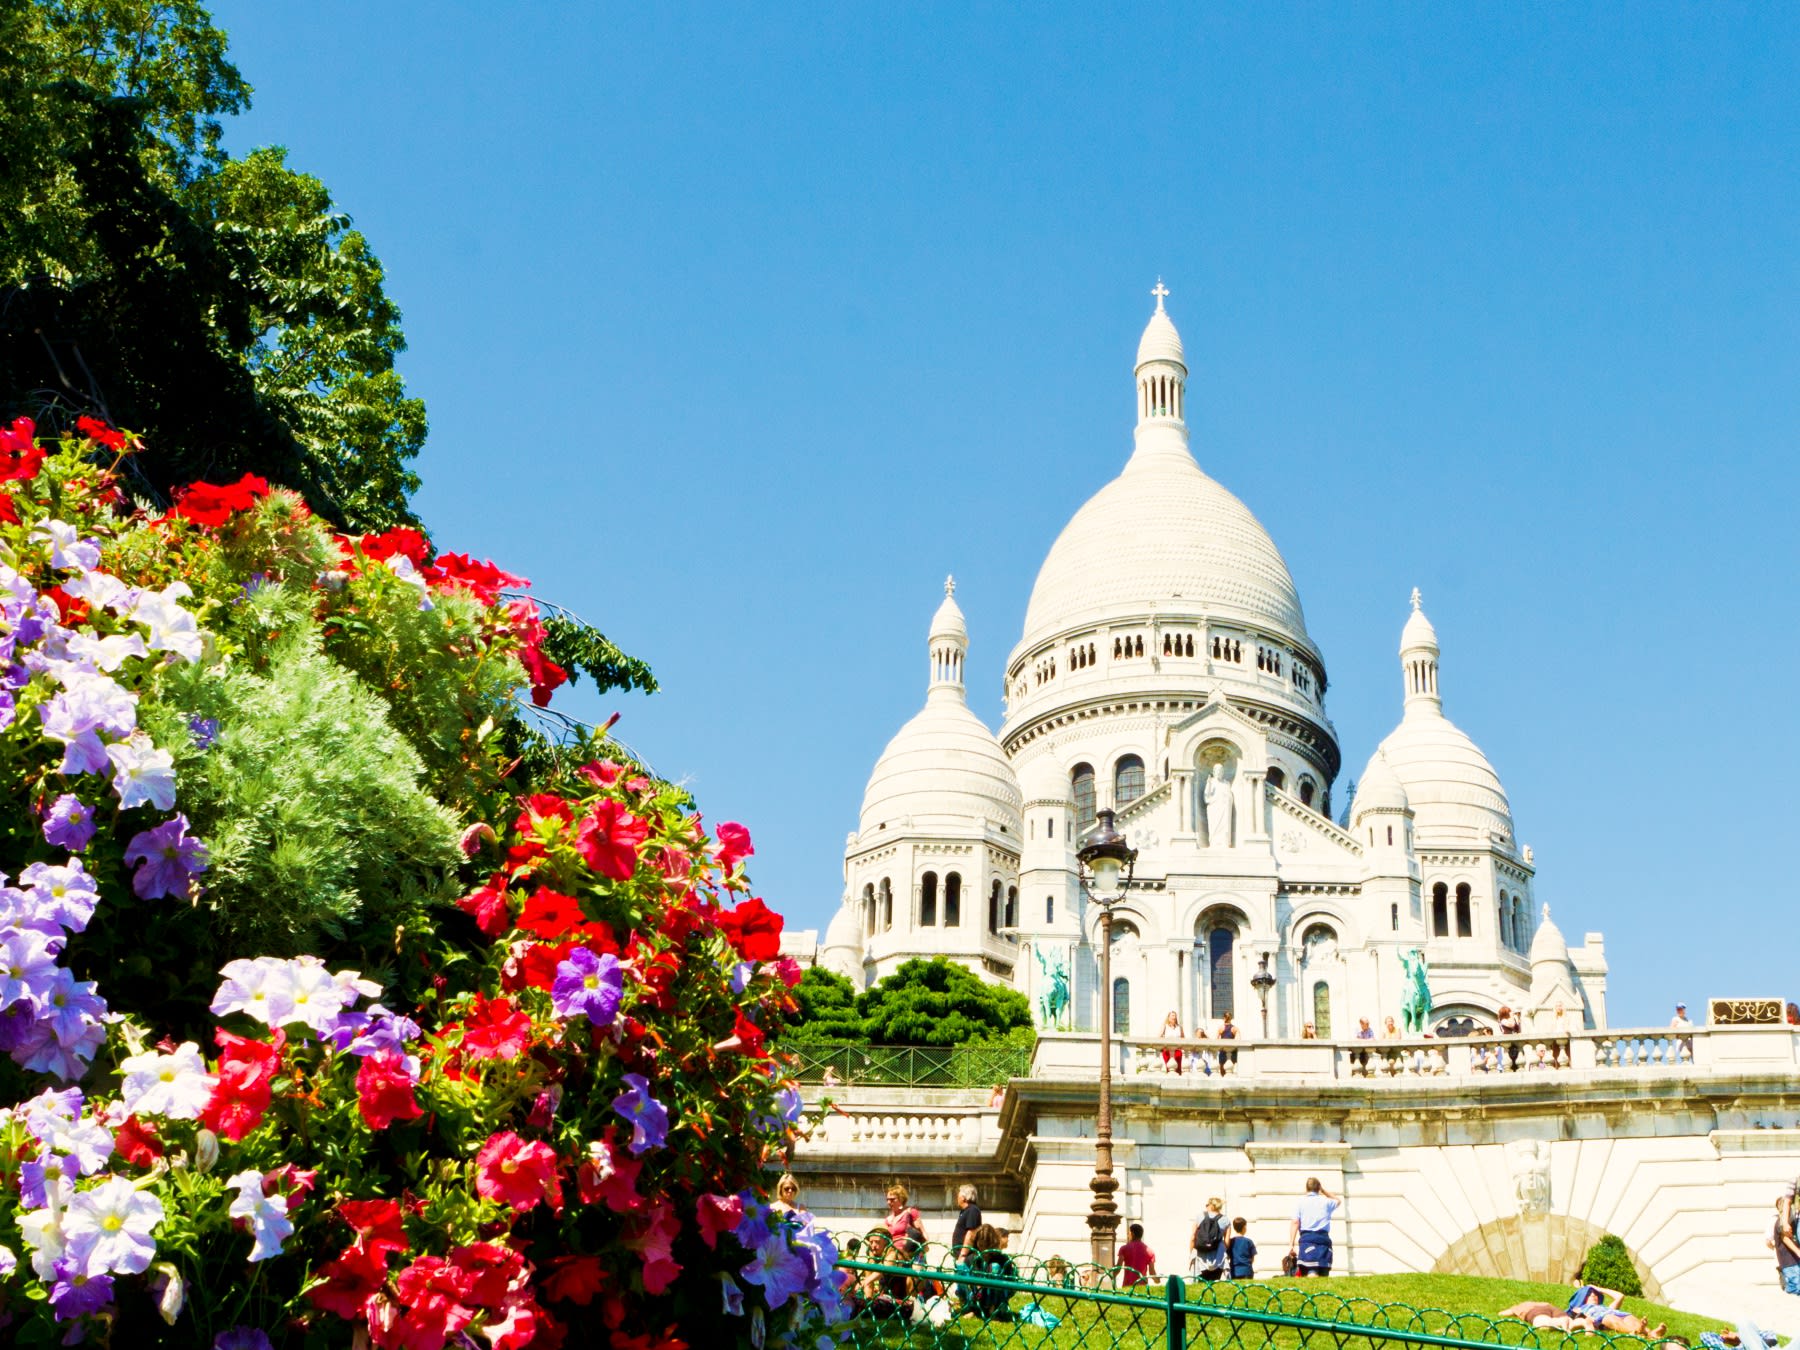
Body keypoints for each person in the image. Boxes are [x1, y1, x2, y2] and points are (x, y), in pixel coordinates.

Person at [1288, 1177, 1341, 1277]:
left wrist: (1291, 1244)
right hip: (1324, 1240)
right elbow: (1338, 1201)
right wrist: (1324, 1191)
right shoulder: (1327, 1202)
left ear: (1306, 1188)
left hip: (1307, 1240)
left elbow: (1295, 1222)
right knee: (1324, 1271)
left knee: (1310, 1270)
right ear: (1319, 1188)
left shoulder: (1300, 1203)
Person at [964, 1223, 1016, 1320]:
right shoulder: (971, 1259)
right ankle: (972, 1309)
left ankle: (994, 1310)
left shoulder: (1002, 1259)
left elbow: (1012, 1283)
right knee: (962, 1270)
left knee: (995, 1268)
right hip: (976, 1297)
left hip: (996, 1298)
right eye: (982, 1241)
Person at [883, 1183, 926, 1262]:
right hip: (890, 1252)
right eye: (887, 1200)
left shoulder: (910, 1213)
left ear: (901, 1199)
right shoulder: (888, 1219)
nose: (889, 1202)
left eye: (892, 1199)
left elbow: (922, 1234)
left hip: (908, 1253)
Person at [1191, 1196, 1227, 1281]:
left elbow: (1193, 1237)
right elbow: (1227, 1242)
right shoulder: (1225, 1219)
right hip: (1218, 1257)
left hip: (1201, 1256)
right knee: (1215, 1284)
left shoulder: (1199, 1216)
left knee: (1201, 1284)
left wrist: (1191, 1252)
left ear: (1211, 1205)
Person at [1774, 1194, 1800, 1295]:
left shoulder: (1788, 1221)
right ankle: (1786, 1287)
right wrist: (1798, 1251)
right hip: (1789, 1261)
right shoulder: (1781, 1222)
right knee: (1796, 1286)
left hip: (1792, 1261)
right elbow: (1784, 1238)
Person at [1118, 1222, 1156, 1286]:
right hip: (1142, 1287)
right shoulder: (1149, 1251)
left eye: (1128, 1233)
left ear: (1132, 1234)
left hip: (1127, 1286)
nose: (1128, 1235)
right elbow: (1152, 1272)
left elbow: (1118, 1268)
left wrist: (1109, 1277)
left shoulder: (1124, 1248)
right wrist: (1157, 1280)